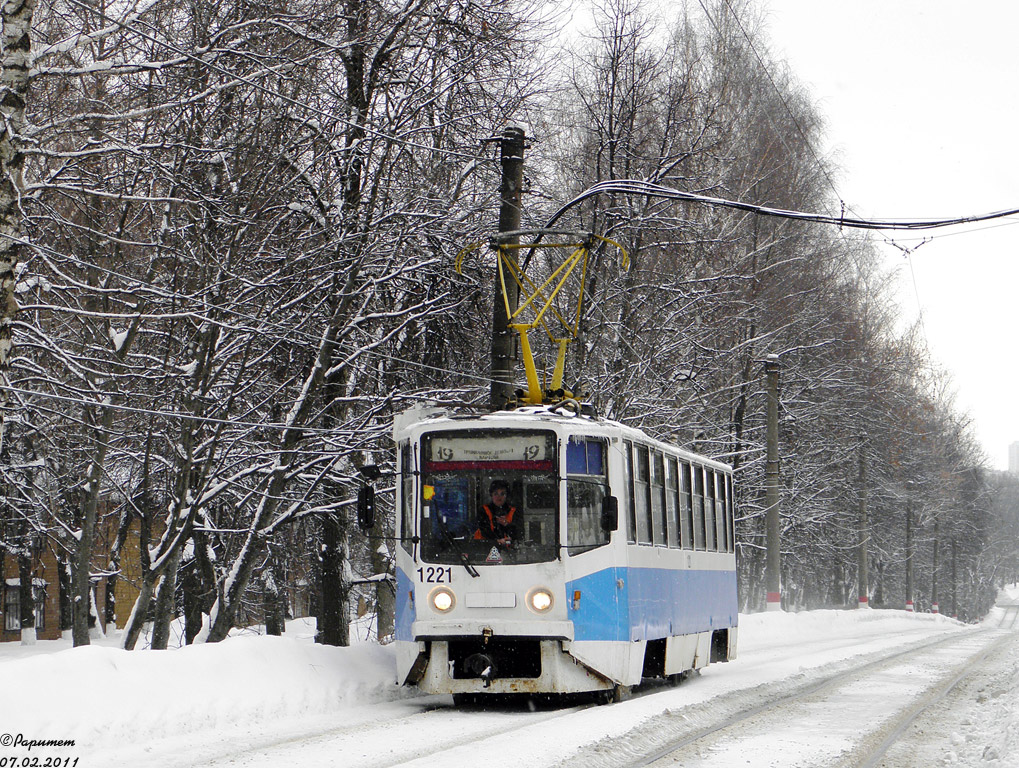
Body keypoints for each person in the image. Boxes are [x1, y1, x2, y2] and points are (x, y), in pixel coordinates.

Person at [475, 480, 518, 547]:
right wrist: (496, 541)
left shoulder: (513, 511)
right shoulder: (483, 510)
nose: (499, 497)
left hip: (509, 553)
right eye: (496, 494)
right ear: (491, 495)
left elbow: (518, 534)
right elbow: (484, 530)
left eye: (502, 494)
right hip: (484, 550)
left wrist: (507, 525)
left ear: (506, 496)